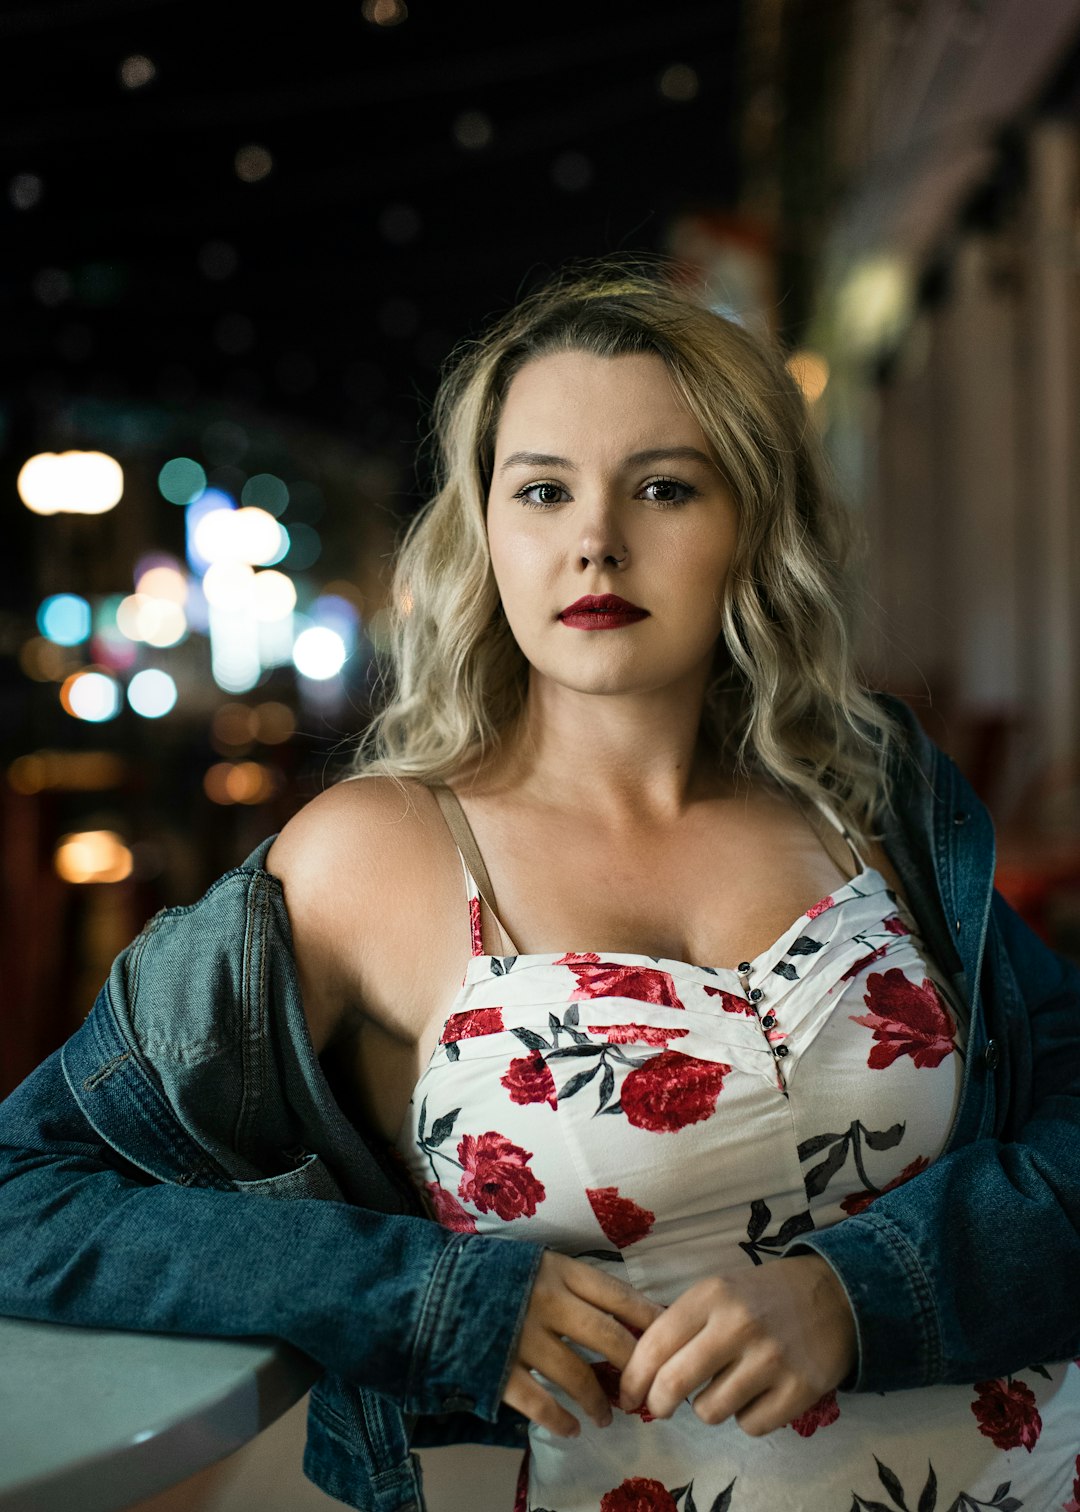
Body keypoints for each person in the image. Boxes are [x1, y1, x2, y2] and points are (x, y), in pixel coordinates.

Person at [1, 263, 1078, 1512]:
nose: (596, 541)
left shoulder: (873, 796)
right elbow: (29, 1188)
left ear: (752, 525)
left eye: (664, 488)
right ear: (485, 531)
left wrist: (859, 1293)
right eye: (544, 490)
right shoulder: (372, 854)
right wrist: (425, 1299)